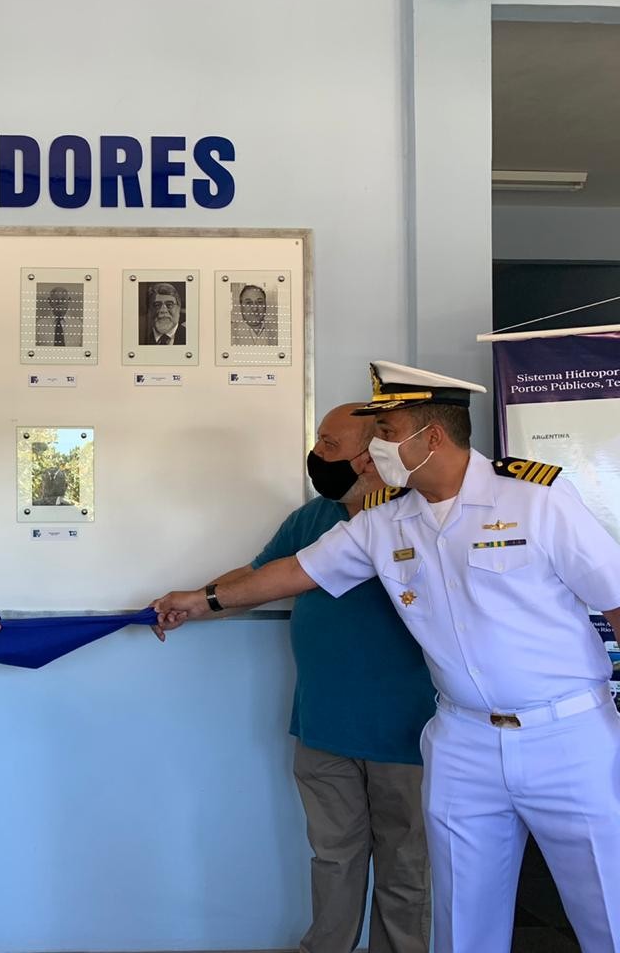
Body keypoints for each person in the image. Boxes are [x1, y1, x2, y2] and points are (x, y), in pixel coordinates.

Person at [152, 361, 620, 953]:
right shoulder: (385, 520)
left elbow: (616, 597)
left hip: (568, 734)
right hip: (463, 741)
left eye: (389, 430)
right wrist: (201, 600)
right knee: (460, 923)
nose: (376, 448)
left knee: (606, 907)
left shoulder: (536, 498)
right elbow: (294, 571)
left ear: (433, 437)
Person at [161, 403, 434, 953]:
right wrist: (195, 604)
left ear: (369, 454)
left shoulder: (423, 517)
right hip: (322, 725)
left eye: (329, 445)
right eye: (318, 441)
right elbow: (260, 578)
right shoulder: (314, 517)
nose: (316, 455)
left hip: (408, 733)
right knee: (333, 859)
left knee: (406, 871)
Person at [139, 282, 185, 346]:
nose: (163, 310)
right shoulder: (141, 340)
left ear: (179, 308)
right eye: (157, 305)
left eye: (169, 305)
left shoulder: (192, 336)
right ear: (149, 311)